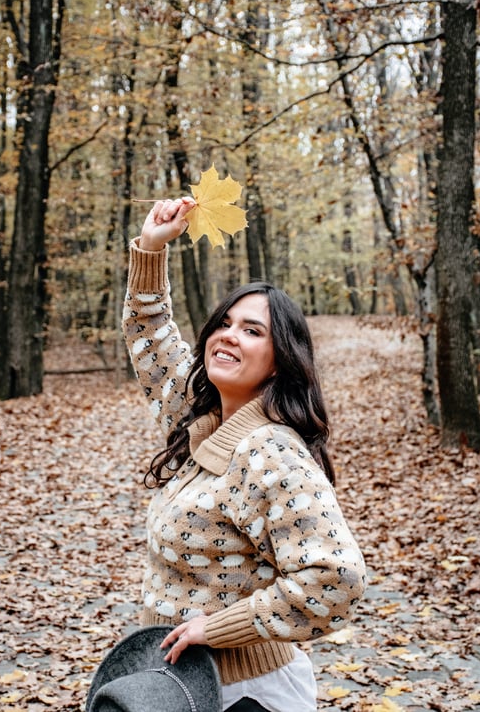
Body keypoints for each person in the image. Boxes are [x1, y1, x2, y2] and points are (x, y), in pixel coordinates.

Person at [122, 197, 366, 712]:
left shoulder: (268, 451)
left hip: (246, 697)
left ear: (280, 363)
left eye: (253, 331)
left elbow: (335, 577)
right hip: (183, 685)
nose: (230, 335)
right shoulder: (204, 422)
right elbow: (152, 336)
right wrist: (150, 247)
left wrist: (219, 628)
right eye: (225, 323)